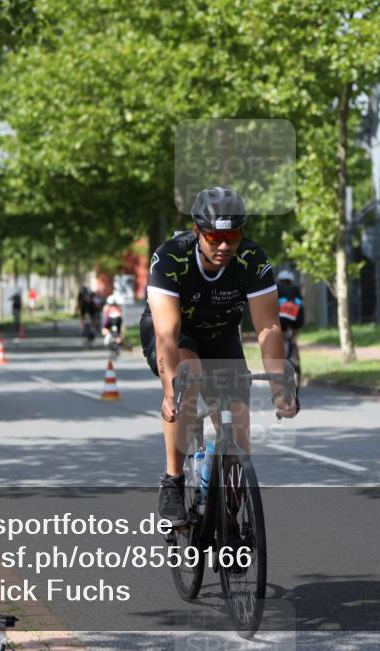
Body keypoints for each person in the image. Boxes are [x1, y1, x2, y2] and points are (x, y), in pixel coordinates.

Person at [141, 186, 298, 526]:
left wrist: (279, 388)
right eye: (214, 236)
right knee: (189, 377)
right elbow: (166, 334)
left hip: (222, 334)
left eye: (233, 236)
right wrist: (171, 390)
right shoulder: (171, 258)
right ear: (197, 231)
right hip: (177, 332)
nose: (225, 245)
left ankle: (231, 520)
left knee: (238, 430)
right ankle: (173, 481)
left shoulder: (252, 261)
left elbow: (268, 327)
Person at [275, 269, 305, 353]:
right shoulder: (296, 289)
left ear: (280, 280)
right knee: (296, 330)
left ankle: (284, 342)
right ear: (291, 280)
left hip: (282, 318)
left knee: (281, 331)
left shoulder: (276, 288)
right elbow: (301, 302)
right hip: (297, 318)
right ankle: (293, 342)